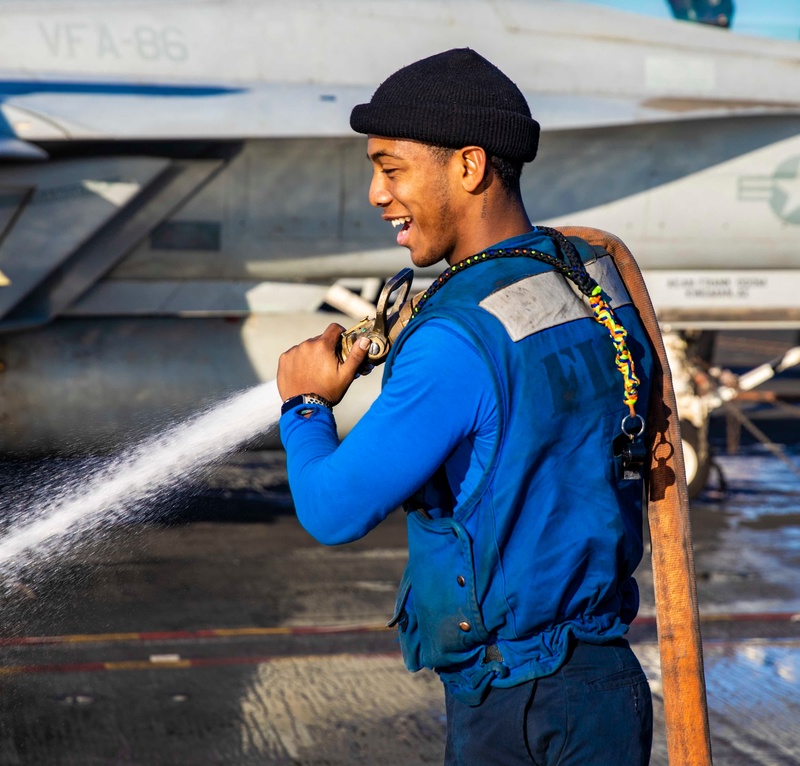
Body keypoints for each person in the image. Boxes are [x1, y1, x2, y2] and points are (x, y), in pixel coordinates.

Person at [276, 49, 654, 765]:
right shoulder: (590, 280)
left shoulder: (453, 339)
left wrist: (303, 406)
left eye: (391, 169)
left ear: (470, 167)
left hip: (514, 706)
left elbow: (332, 509)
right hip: (606, 683)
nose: (375, 195)